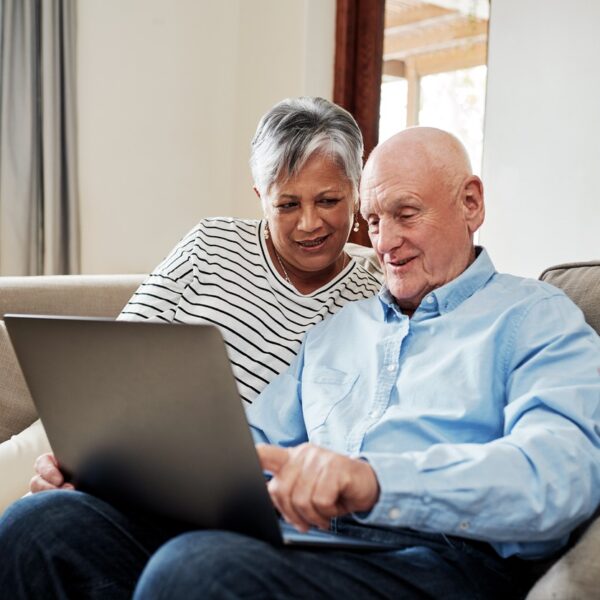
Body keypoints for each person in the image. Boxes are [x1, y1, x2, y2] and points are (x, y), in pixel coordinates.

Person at [1, 127, 599, 599]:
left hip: (442, 559)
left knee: (201, 572)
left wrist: (373, 481)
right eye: (374, 219)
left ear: (471, 203)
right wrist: (114, 479)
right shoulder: (339, 332)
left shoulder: (534, 316)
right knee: (43, 526)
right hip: (311, 543)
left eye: (406, 213)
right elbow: (246, 448)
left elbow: (559, 474)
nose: (384, 242)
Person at [0, 95, 381, 501]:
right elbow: (111, 365)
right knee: (40, 512)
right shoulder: (211, 245)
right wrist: (71, 464)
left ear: (356, 191)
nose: (309, 223)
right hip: (133, 464)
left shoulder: (374, 295)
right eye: (287, 204)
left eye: (328, 200)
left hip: (244, 498)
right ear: (260, 197)